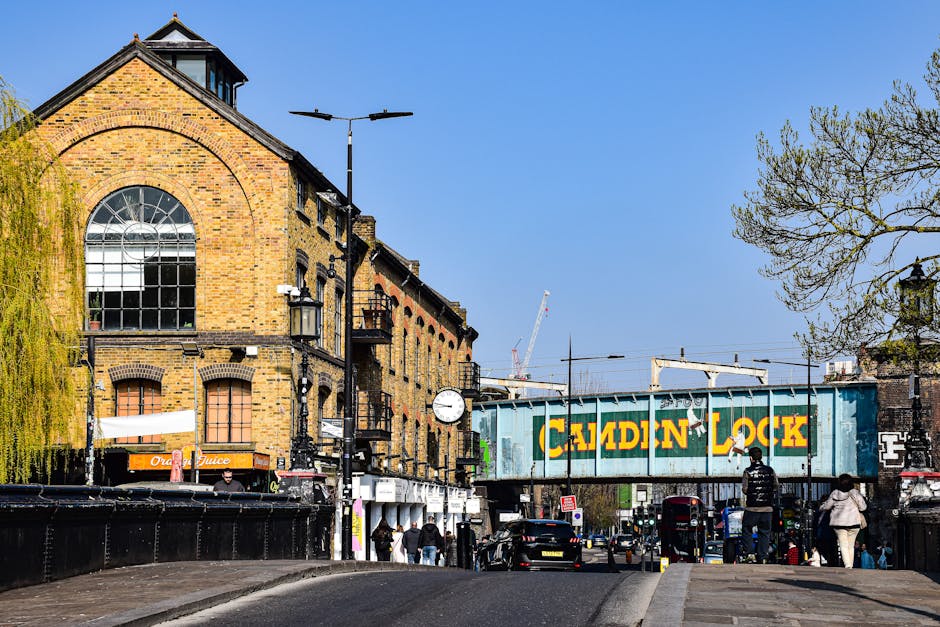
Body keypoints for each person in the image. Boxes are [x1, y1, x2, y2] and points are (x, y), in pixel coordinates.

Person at [818, 473, 867, 569]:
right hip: (854, 522)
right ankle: (850, 565)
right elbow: (863, 507)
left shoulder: (835, 493)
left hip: (839, 523)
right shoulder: (855, 493)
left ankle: (848, 565)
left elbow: (827, 506)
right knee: (851, 545)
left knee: (843, 544)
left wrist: (821, 506)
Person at [741, 446, 778, 563]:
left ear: (751, 458)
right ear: (761, 457)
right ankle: (763, 557)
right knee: (765, 532)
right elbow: (776, 486)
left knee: (747, 529)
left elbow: (745, 489)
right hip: (767, 509)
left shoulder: (748, 471)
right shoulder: (770, 470)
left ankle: (750, 553)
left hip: (752, 508)